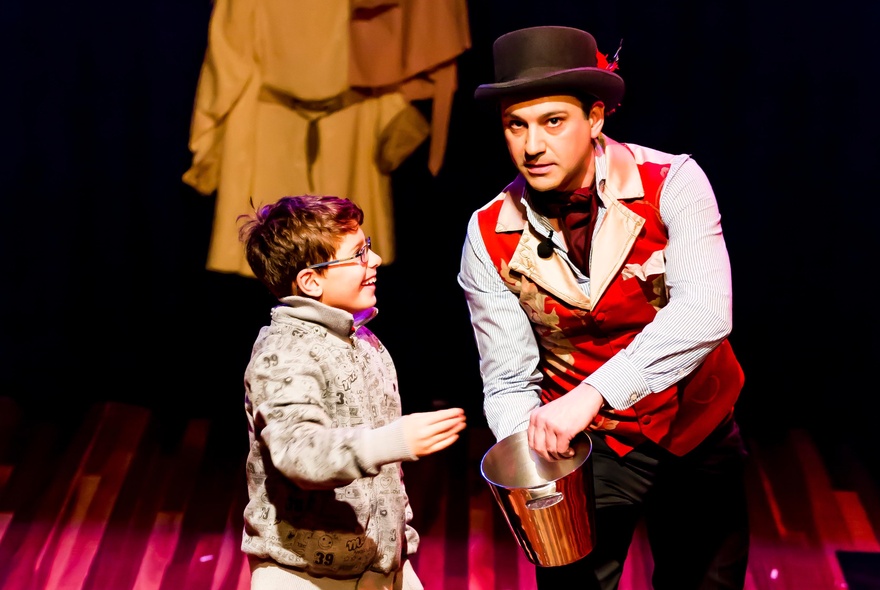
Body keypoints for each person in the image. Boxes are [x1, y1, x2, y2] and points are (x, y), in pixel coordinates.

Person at [458, 25, 749, 589]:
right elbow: (508, 377)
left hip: (696, 428)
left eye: (552, 122)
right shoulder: (487, 232)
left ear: (595, 118)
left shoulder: (673, 183)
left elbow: (707, 311)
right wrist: (537, 473)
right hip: (586, 448)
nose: (532, 145)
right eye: (516, 126)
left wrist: (592, 394)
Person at [238, 194, 467, 590]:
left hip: (382, 568)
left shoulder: (363, 340)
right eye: (359, 254)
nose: (374, 260)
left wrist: (401, 550)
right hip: (305, 577)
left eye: (369, 247)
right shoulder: (284, 353)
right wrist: (392, 441)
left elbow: (384, 482)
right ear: (311, 281)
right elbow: (300, 452)